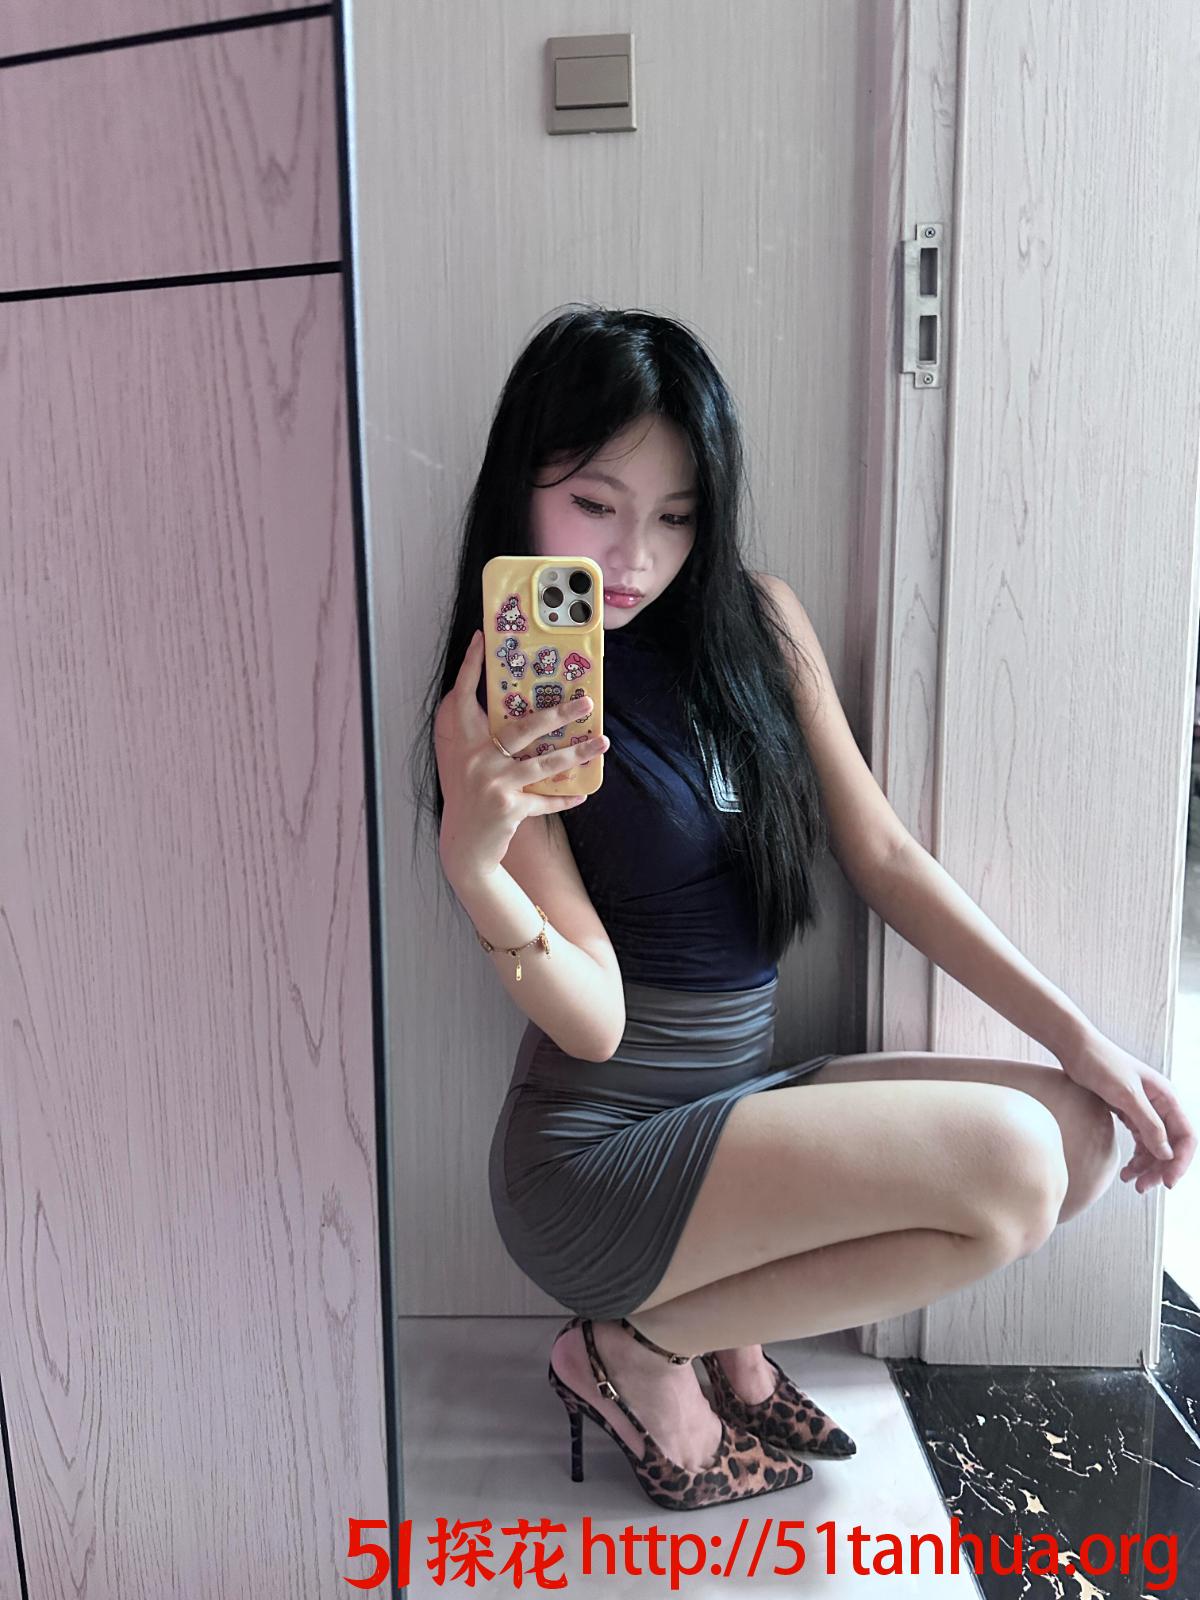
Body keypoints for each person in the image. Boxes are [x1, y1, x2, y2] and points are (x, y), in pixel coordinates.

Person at [415, 304, 1196, 1513]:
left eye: (676, 516)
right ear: (523, 485)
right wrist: (478, 866)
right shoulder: (497, 710)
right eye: (596, 504)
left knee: (1080, 1136)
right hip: (596, 1161)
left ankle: (704, 1329)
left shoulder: (759, 624)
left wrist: (1081, 1039)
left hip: (738, 1106)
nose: (634, 557)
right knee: (1011, 1167)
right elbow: (596, 1020)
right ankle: (637, 1344)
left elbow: (882, 854)